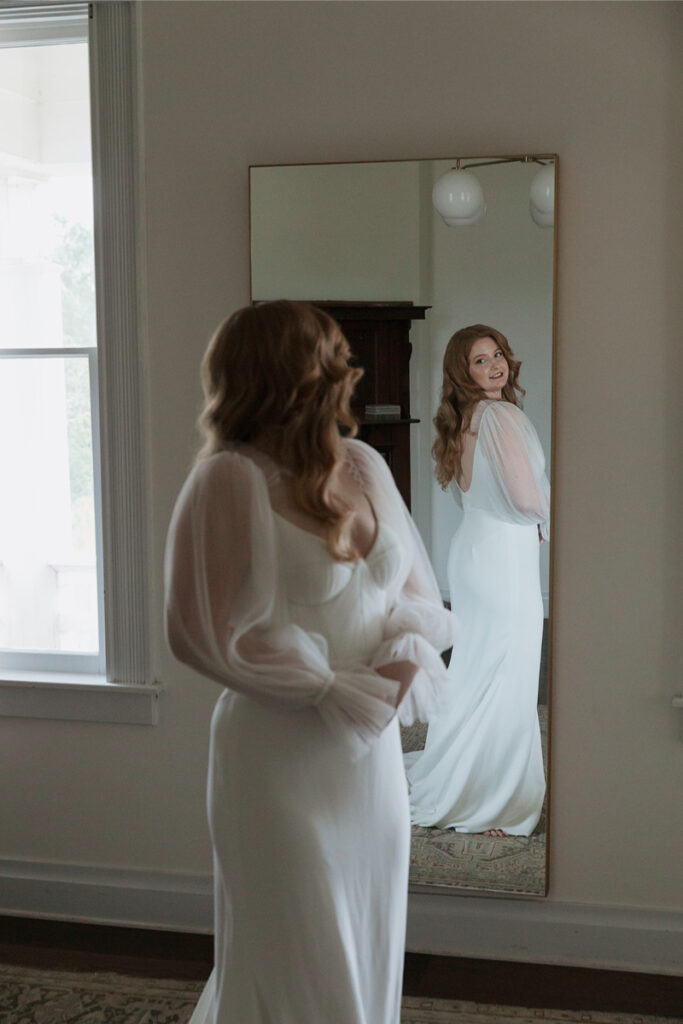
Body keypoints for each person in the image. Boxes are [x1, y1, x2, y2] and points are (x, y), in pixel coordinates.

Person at [164, 300, 457, 1024]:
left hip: (370, 753)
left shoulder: (360, 463)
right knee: (294, 951)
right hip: (277, 753)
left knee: (367, 930)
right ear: (289, 372)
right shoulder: (227, 479)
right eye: (330, 355)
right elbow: (199, 632)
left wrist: (385, 686)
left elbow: (418, 595)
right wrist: (326, 689)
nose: (344, 370)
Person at [404, 325, 550, 838]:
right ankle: (494, 794)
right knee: (506, 671)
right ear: (462, 373)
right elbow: (526, 497)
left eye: (497, 356)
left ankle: (471, 776)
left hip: (474, 552)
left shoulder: (467, 418)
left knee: (477, 667)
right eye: (479, 361)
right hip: (502, 559)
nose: (494, 366)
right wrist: (548, 519)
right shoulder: (502, 415)